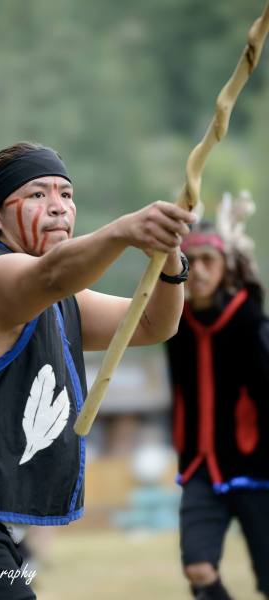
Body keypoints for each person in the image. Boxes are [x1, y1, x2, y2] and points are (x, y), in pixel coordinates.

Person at [0, 141, 194, 599]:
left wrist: (171, 260)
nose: (59, 206)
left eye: (66, 193)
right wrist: (124, 231)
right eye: (38, 194)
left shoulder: (64, 301)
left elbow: (154, 323)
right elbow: (51, 276)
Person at [166, 193, 269, 600]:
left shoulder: (250, 320)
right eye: (195, 262)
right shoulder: (173, 322)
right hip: (200, 468)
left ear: (226, 266)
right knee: (198, 568)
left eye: (210, 260)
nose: (201, 271)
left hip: (256, 467)